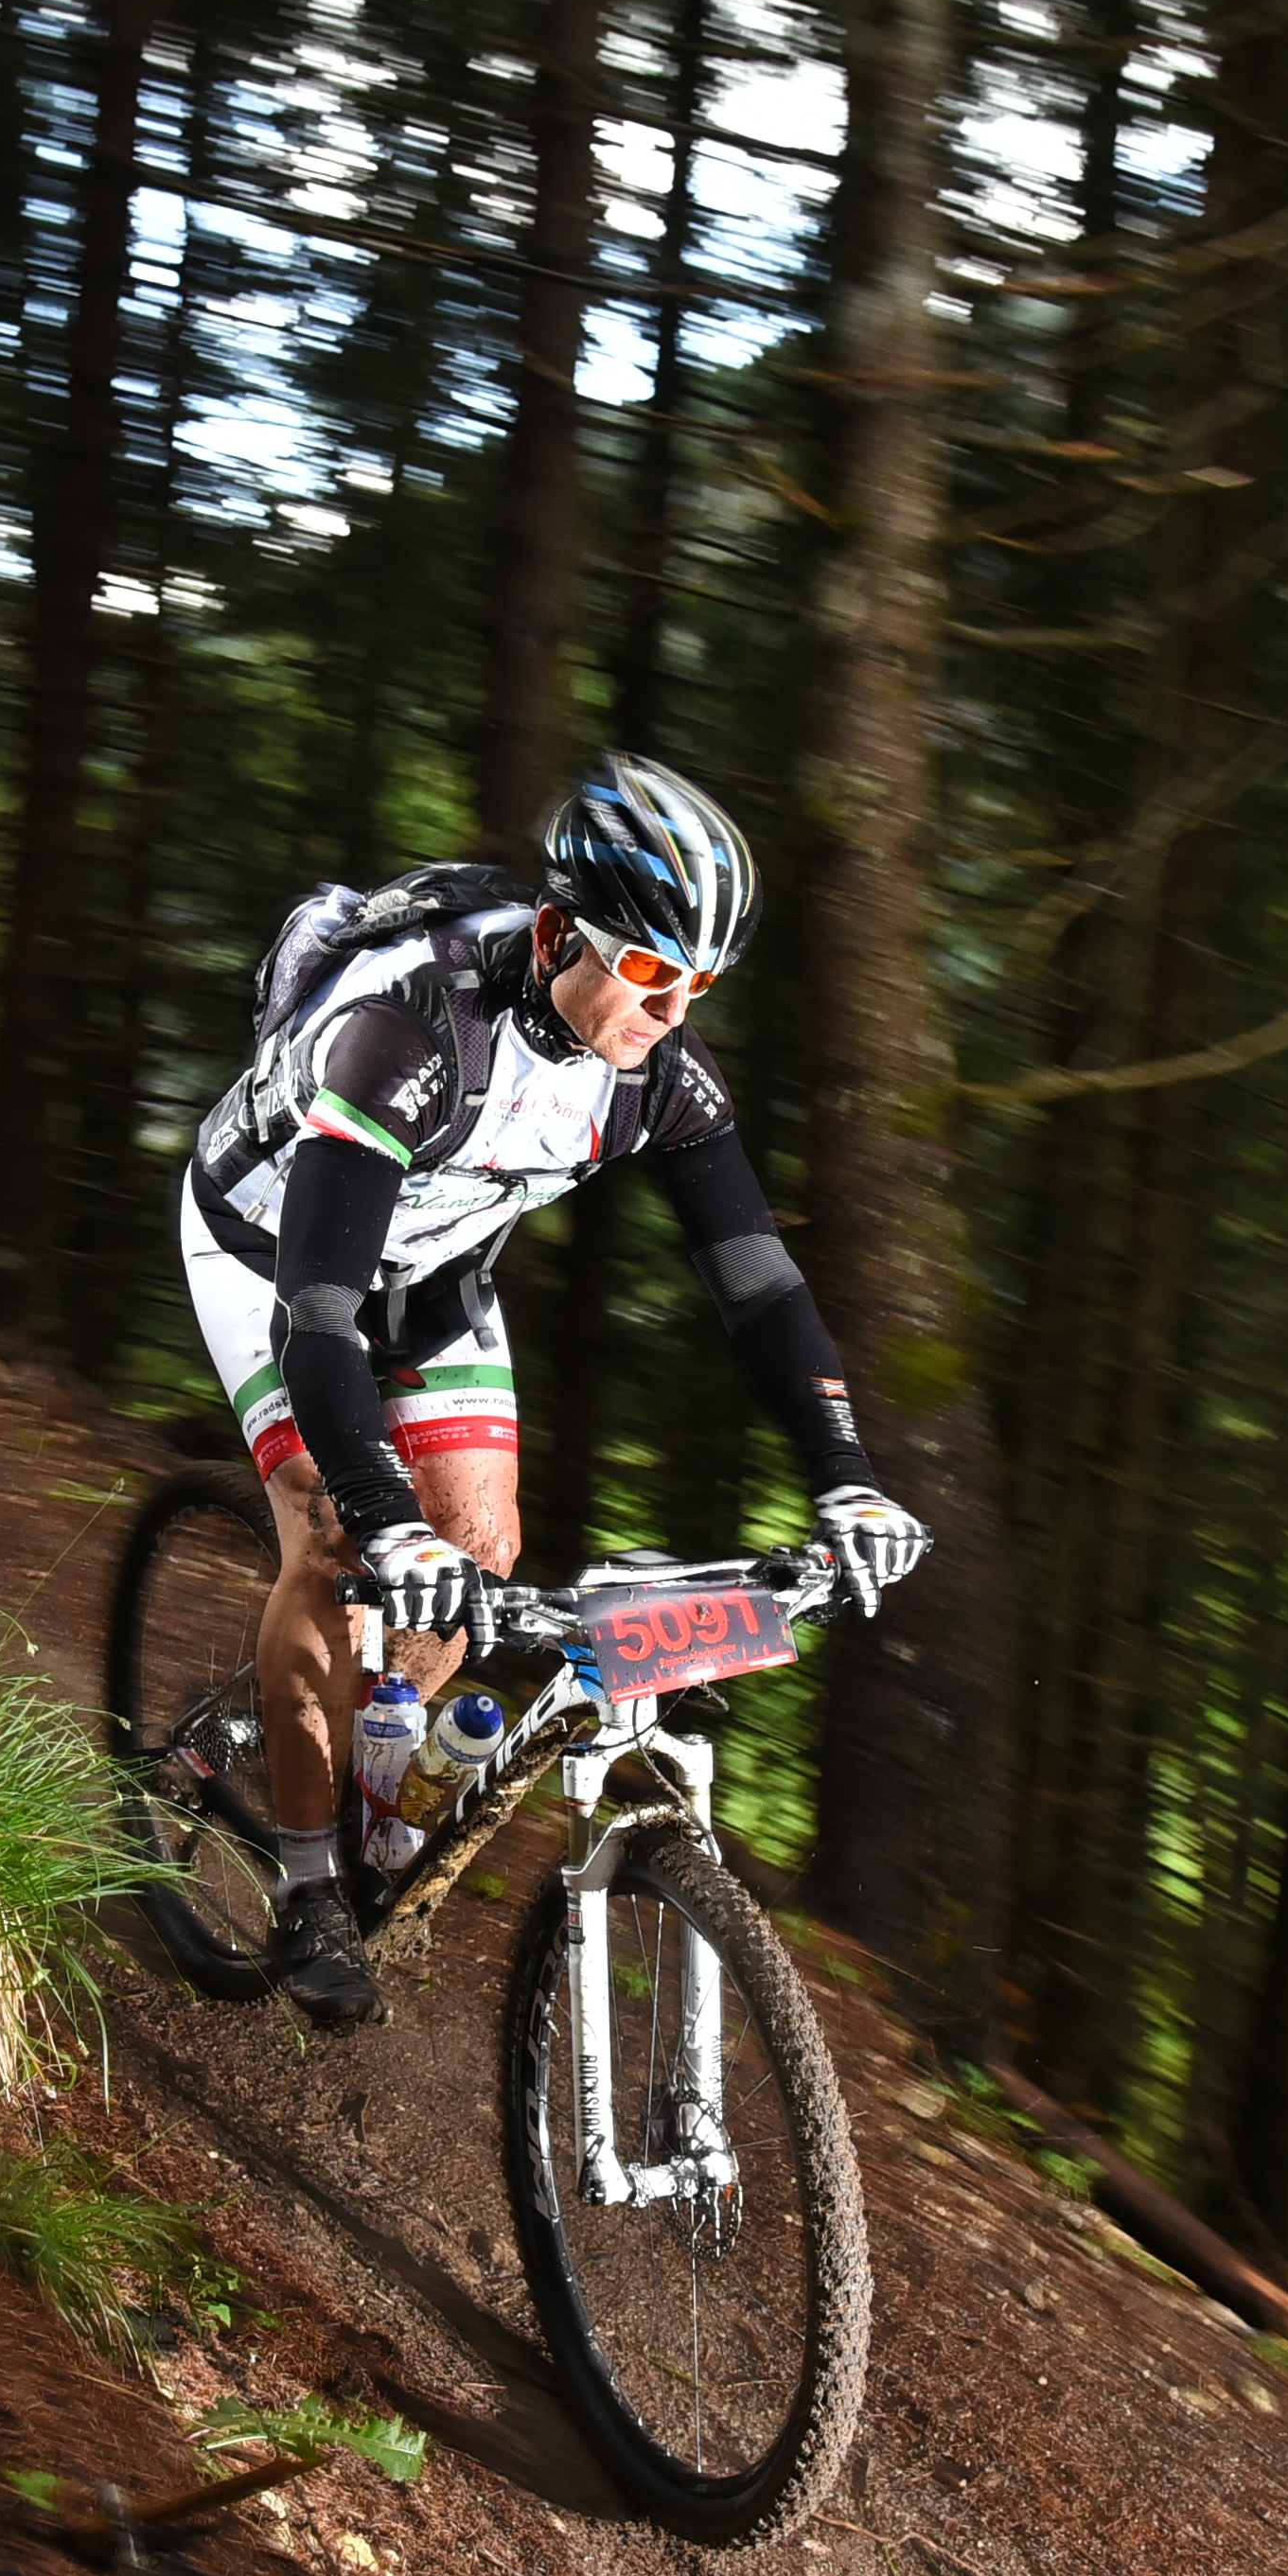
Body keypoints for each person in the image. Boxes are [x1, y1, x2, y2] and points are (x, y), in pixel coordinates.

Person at [177, 754, 931, 2026]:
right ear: (553, 937)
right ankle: (306, 1884)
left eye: (700, 984)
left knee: (482, 1543)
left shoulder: (659, 1072)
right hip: (271, 1253)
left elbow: (758, 1287)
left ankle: (365, 1750)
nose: (670, 1009)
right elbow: (320, 1313)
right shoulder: (408, 1031)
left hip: (432, 1267)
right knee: (335, 1536)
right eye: (646, 970)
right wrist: (383, 1514)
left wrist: (847, 1478)